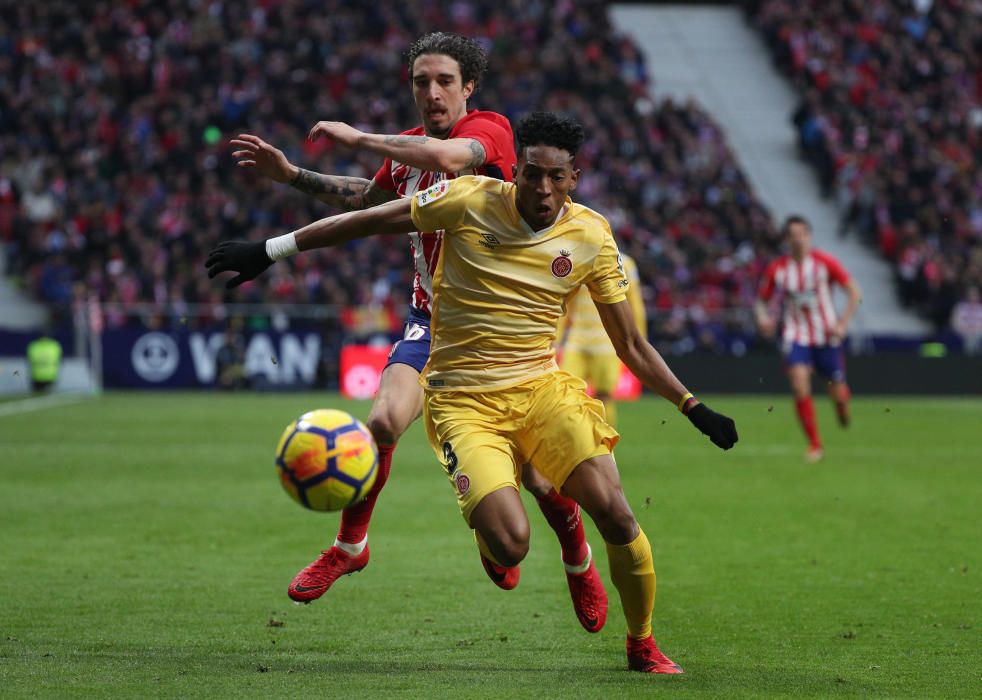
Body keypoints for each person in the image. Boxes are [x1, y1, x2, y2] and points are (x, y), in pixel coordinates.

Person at [207, 111, 739, 674]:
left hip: (542, 391)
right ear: (518, 171)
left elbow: (631, 344)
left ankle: (642, 644)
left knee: (618, 515)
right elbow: (366, 219)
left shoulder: (591, 235)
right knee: (512, 545)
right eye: (531, 174)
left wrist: (692, 406)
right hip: (463, 399)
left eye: (555, 177)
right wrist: (270, 250)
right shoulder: (468, 199)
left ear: (574, 177)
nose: (541, 187)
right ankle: (472, 535)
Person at [229, 33, 607, 631]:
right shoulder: (406, 152)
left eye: (444, 82)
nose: (431, 93)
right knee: (382, 419)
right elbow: (371, 204)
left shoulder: (492, 133)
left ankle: (577, 556)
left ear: (469, 88)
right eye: (420, 83)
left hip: (502, 335)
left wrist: (357, 137)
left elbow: (451, 162)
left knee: (538, 475)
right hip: (430, 322)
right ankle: (351, 548)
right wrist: (293, 176)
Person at [755, 215, 862, 463]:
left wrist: (843, 323)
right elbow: (762, 300)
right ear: (787, 239)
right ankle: (815, 444)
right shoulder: (778, 269)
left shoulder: (825, 263)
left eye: (803, 233)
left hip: (826, 336)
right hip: (796, 335)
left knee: (837, 392)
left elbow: (854, 291)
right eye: (793, 234)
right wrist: (763, 318)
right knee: (799, 385)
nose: (799, 239)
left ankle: (841, 406)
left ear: (809, 236)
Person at [557, 252, 646, 427]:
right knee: (566, 394)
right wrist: (556, 337)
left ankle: (605, 444)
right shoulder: (577, 258)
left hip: (608, 343)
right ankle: (574, 442)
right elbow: (566, 303)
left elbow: (635, 304)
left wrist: (639, 340)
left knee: (604, 395)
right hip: (576, 342)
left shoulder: (625, 263)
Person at [950, 286, 982, 355]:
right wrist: (966, 330)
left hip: (978, 334)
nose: (973, 297)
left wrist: (975, 330)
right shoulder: (960, 307)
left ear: (979, 296)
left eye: (975, 295)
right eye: (971, 294)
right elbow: (955, 323)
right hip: (963, 334)